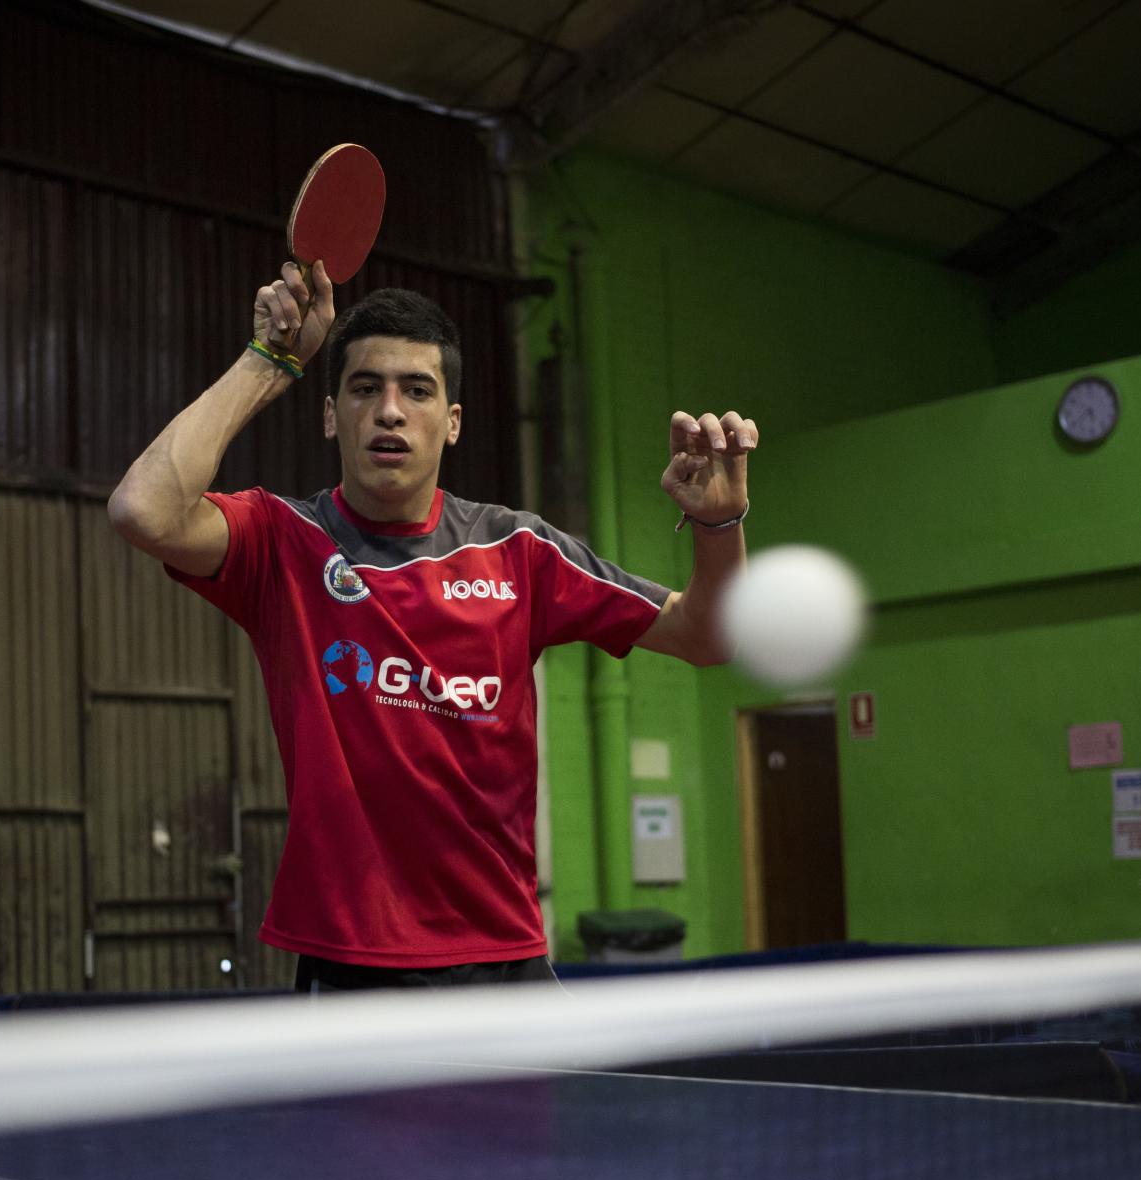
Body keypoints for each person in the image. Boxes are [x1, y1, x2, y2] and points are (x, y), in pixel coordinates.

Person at [107, 261, 756, 992]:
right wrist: (270, 360)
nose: (390, 411)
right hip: (352, 968)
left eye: (417, 391)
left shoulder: (520, 551)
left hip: (503, 965)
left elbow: (707, 637)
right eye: (364, 388)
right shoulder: (282, 542)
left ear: (451, 423)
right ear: (330, 415)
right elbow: (143, 510)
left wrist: (718, 525)